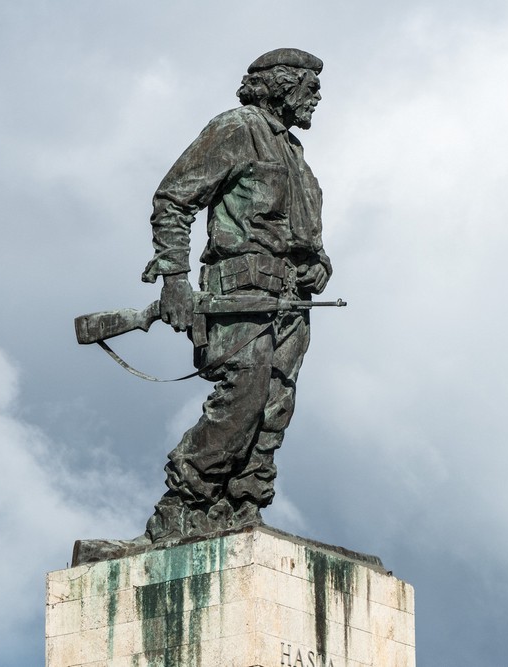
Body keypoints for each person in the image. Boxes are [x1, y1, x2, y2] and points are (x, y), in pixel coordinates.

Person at [141, 48, 332, 542]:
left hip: (292, 305)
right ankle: (182, 505)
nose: (317, 98)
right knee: (241, 401)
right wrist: (175, 281)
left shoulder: (296, 155)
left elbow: (307, 238)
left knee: (274, 408)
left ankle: (240, 508)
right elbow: (173, 199)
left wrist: (319, 267)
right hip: (239, 295)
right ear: (282, 86)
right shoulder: (236, 129)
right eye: (310, 88)